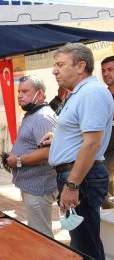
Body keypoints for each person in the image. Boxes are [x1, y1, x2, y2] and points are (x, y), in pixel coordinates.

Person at [42, 43, 113, 260]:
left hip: (82, 178)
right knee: (81, 242)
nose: (55, 70)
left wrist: (73, 185)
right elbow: (81, 132)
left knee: (86, 246)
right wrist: (60, 139)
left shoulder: (92, 92)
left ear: (81, 66)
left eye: (60, 65)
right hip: (77, 176)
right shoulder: (79, 92)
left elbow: (92, 144)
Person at [5, 75, 58, 237]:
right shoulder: (33, 114)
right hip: (32, 186)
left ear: (39, 94)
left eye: (25, 91)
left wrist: (19, 160)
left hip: (39, 188)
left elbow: (48, 152)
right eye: (19, 91)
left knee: (41, 235)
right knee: (37, 231)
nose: (20, 95)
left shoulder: (43, 117)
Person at [101, 55, 114, 209]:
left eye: (110, 70)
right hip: (102, 150)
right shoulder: (103, 95)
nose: (106, 74)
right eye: (103, 70)